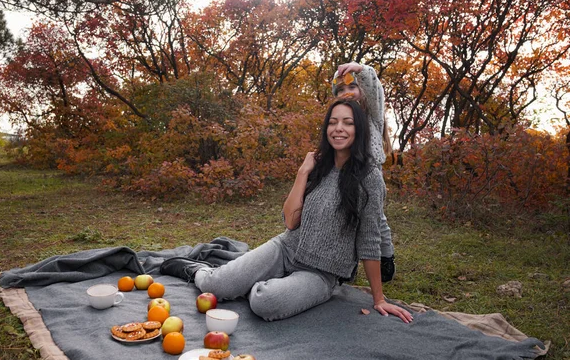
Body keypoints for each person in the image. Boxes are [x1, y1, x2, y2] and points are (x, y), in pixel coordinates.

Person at [163, 99, 412, 324]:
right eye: (333, 122)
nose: (339, 128)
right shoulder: (318, 167)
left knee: (265, 301)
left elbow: (370, 241)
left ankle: (254, 284)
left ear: (359, 130)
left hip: (320, 274)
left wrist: (378, 299)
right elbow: (290, 222)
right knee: (215, 285)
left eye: (347, 123)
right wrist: (302, 173)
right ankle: (197, 270)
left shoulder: (369, 178)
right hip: (285, 248)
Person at [332, 62, 396, 282]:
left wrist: (359, 68)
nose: (346, 93)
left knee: (376, 220)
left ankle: (386, 258)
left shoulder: (372, 114)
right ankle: (346, 266)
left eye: (351, 87)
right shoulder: (340, 120)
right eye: (340, 90)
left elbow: (373, 87)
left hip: (370, 174)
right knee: (346, 217)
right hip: (347, 174)